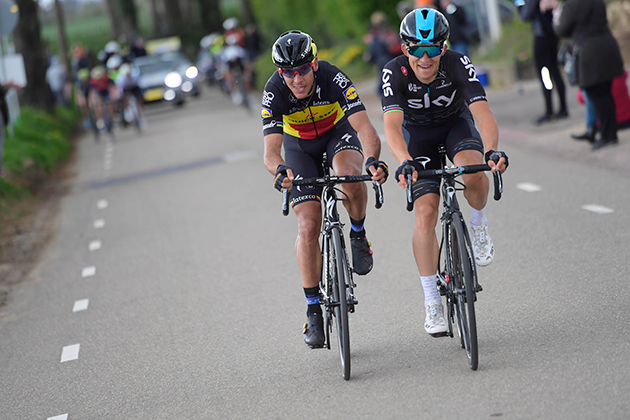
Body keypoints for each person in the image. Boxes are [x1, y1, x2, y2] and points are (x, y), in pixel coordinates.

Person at [381, 9, 508, 336]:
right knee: (425, 212)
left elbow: (483, 113)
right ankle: (432, 301)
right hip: (417, 137)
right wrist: (403, 160)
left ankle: (478, 225)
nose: (425, 57)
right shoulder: (393, 72)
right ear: (404, 48)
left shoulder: (457, 63)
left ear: (444, 47)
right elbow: (392, 128)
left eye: (433, 49)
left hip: (455, 125)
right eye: (416, 49)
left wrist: (491, 150)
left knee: (472, 168)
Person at [262, 30, 388, 348]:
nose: (297, 78)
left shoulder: (333, 77)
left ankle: (358, 234)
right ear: (281, 73)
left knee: (349, 176)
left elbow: (365, 129)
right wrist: (279, 171)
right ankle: (313, 309)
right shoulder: (274, 91)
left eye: (303, 69)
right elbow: (271, 151)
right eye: (289, 72)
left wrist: (373, 159)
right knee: (307, 226)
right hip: (299, 148)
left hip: (337, 134)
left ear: (314, 64)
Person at [552, 0, 625, 150]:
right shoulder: (597, 1)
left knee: (595, 94)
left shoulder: (572, 5)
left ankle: (607, 135)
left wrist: (556, 15)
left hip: (590, 53)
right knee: (606, 93)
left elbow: (562, 30)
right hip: (607, 46)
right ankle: (610, 132)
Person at [519, 0, 569, 125]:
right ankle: (563, 108)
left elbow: (525, 16)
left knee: (545, 75)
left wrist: (518, 4)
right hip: (553, 37)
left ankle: (549, 110)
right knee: (556, 73)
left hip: (542, 39)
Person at [572, 70, 630, 142]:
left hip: (608, 124)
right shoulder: (620, 73)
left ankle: (591, 129)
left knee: (592, 97)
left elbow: (580, 99)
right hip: (627, 119)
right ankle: (591, 129)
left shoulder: (597, 80)